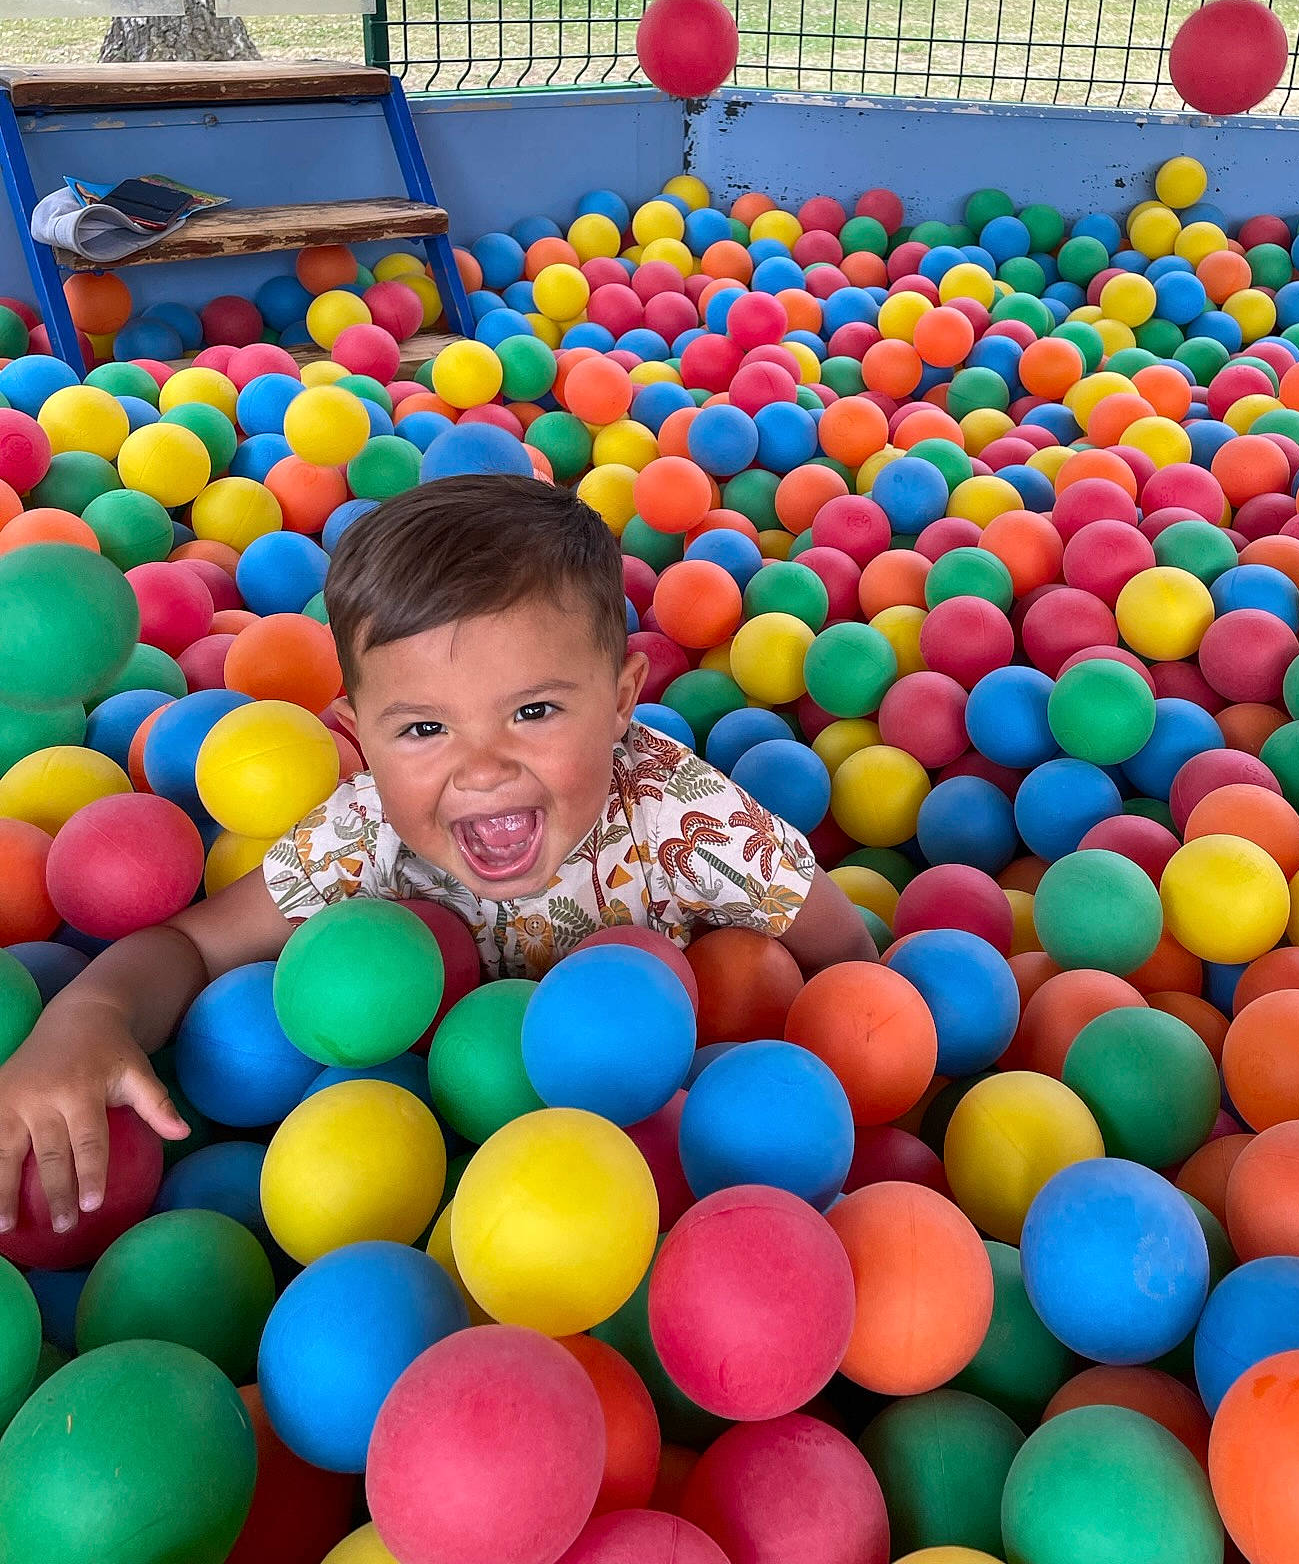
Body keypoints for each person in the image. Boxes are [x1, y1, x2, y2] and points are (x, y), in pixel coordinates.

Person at [0, 474, 875, 1234]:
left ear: (621, 703)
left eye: (534, 712)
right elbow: (192, 946)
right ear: (360, 739)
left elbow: (842, 955)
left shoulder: (684, 818)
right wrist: (89, 1017)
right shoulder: (367, 831)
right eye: (423, 728)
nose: (483, 767)